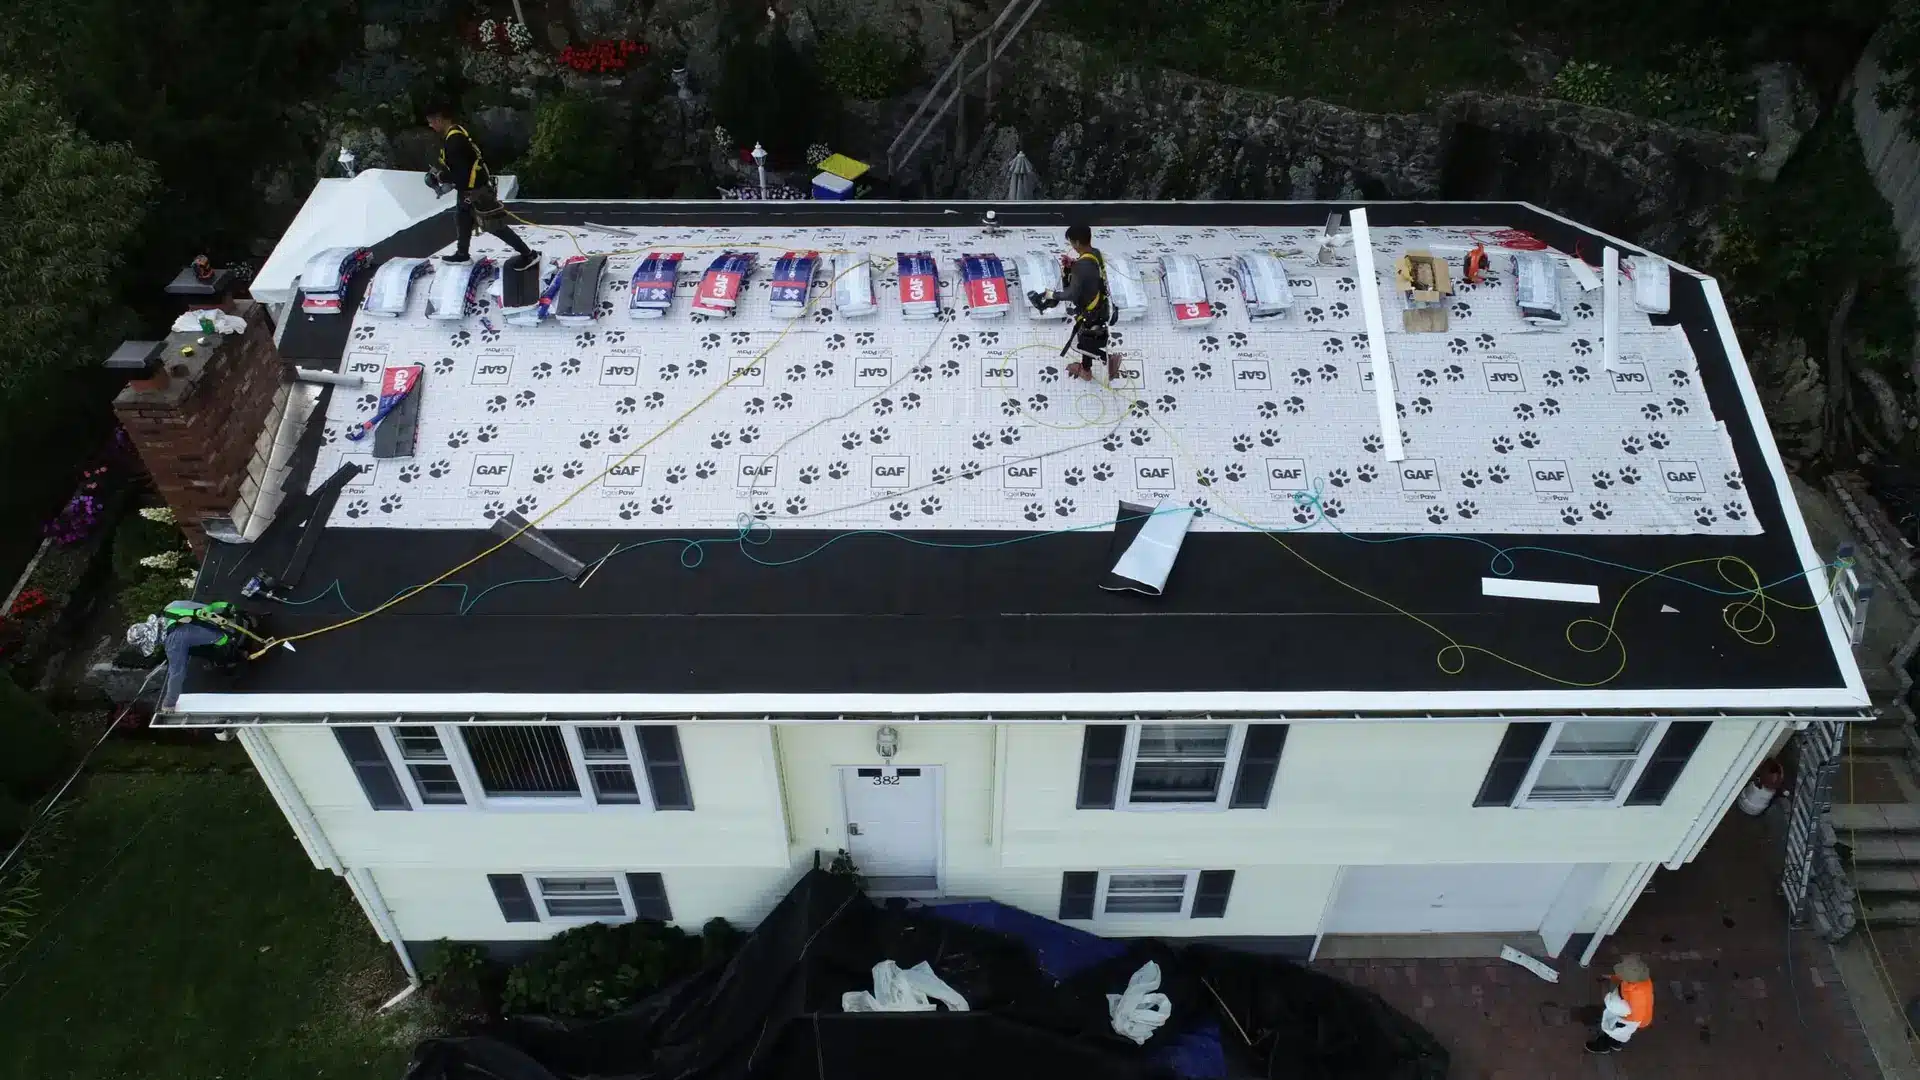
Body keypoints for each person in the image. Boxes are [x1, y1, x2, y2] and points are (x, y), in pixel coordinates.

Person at [424, 104, 537, 270]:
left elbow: (461, 172)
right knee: (462, 219)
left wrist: (441, 177)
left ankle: (528, 255)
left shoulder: (454, 140)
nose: (430, 125)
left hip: (475, 191)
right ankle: (462, 254)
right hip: (469, 190)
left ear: (439, 119)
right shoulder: (457, 132)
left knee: (493, 226)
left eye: (431, 122)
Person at [1028, 224, 1116, 382]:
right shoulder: (1095, 254)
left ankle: (1109, 359)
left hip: (1089, 311)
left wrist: (1050, 294)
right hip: (1101, 305)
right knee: (1088, 337)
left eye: (1070, 243)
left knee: (1081, 343)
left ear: (1076, 243)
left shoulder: (1081, 267)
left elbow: (1071, 294)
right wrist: (1072, 265)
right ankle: (1086, 370)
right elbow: (1088, 274)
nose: (1071, 246)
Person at [1587, 954, 1653, 1054]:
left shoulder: (1637, 994)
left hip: (1633, 1018)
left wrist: (1620, 1019)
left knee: (1613, 1027)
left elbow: (1636, 1016)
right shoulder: (1640, 978)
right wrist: (1610, 977)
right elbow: (1622, 978)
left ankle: (1603, 1046)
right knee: (1620, 1033)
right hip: (1634, 1012)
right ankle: (1616, 1044)